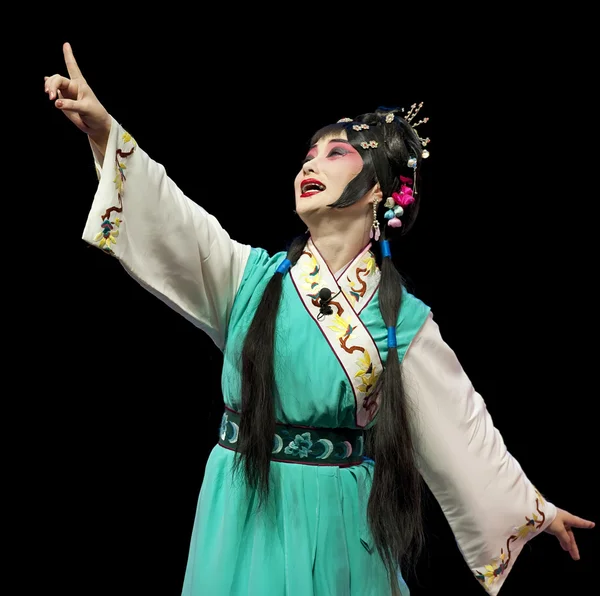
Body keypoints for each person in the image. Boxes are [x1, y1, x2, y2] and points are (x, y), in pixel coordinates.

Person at [45, 42, 594, 596]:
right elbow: (171, 218)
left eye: (336, 153)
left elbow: (462, 429)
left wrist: (536, 511)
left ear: (378, 188)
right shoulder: (250, 279)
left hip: (340, 518)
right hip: (244, 503)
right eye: (309, 154)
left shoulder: (400, 321)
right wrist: (104, 131)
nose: (311, 162)